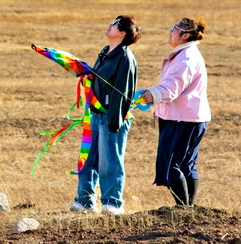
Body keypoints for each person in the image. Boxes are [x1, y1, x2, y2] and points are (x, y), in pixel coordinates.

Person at [70, 15, 139, 215]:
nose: (109, 26)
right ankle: (84, 202)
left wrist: (114, 122)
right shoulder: (105, 52)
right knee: (88, 160)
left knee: (109, 162)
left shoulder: (125, 57)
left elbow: (122, 93)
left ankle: (112, 203)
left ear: (123, 33)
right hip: (95, 114)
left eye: (114, 24)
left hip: (112, 118)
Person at [140, 17, 210, 207]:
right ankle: (188, 207)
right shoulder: (186, 54)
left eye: (174, 29)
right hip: (189, 117)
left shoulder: (187, 57)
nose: (170, 31)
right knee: (186, 165)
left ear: (185, 35)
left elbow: (172, 86)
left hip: (181, 118)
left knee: (171, 165)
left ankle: (183, 208)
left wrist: (151, 94)